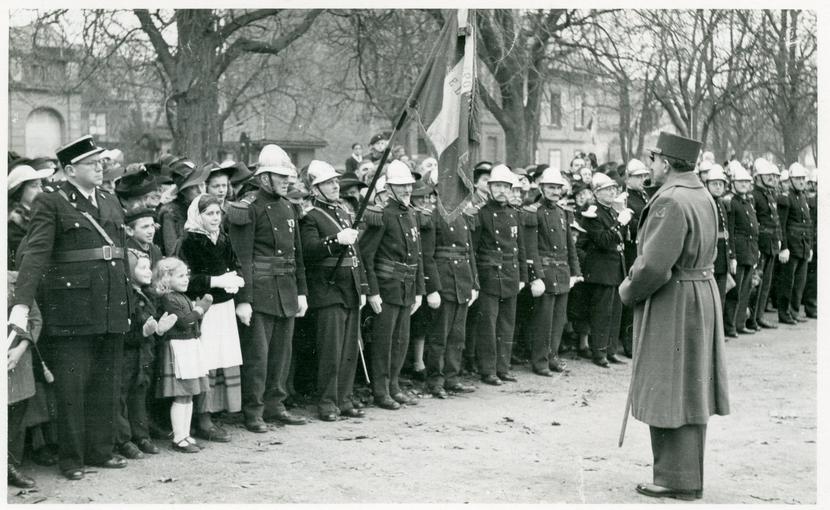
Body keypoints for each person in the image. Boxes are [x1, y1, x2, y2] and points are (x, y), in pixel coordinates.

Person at [7, 135, 132, 480]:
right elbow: (34, 255)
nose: (100, 166)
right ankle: (72, 458)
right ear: (70, 169)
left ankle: (100, 450)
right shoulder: (52, 202)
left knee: (106, 383)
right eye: (92, 162)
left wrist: (128, 302)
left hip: (111, 305)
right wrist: (20, 305)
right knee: (73, 388)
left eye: (101, 161)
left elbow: (120, 252)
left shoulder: (109, 200)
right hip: (71, 308)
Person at [619, 131, 729, 501]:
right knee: (690, 385)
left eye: (653, 159)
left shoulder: (670, 200)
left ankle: (673, 479)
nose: (650, 166)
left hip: (674, 300)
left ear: (666, 163)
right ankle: (682, 476)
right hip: (700, 294)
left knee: (669, 386)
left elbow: (653, 267)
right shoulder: (702, 195)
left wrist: (628, 290)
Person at [226, 144, 309, 432]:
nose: (287, 181)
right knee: (258, 358)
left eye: (288, 177)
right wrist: (244, 300)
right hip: (259, 292)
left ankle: (276, 405)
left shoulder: (288, 207)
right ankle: (254, 411)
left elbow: (296, 255)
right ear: (264, 178)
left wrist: (301, 292)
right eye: (280, 176)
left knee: (281, 356)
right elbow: (242, 258)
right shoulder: (247, 208)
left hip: (285, 289)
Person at [299, 161, 368, 421]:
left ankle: (344, 398)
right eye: (329, 183)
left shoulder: (344, 214)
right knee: (331, 349)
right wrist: (335, 240)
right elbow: (309, 250)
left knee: (350, 348)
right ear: (315, 189)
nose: (335, 185)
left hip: (348, 287)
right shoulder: (311, 217)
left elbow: (357, 255)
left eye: (336, 181)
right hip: (327, 289)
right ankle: (327, 402)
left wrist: (361, 287)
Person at [177, 194, 246, 442]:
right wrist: (215, 281)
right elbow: (184, 278)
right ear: (199, 216)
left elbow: (234, 263)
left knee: (220, 358)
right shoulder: (189, 241)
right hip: (203, 307)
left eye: (218, 213)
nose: (215, 218)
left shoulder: (223, 238)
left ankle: (214, 412)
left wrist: (234, 279)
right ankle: (202, 419)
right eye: (209, 214)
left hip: (224, 307)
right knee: (204, 361)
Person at [359, 160, 425, 409]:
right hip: (386, 288)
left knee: (401, 340)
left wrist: (419, 290)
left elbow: (417, 256)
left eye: (409, 185)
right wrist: (372, 291)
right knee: (384, 342)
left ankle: (394, 385)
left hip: (407, 288)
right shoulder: (381, 215)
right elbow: (367, 256)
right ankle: (380, 390)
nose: (407, 190)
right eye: (401, 186)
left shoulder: (411, 214)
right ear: (389, 189)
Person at [470, 165, 528, 385]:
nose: (502, 191)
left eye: (506, 186)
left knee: (507, 324)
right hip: (489, 276)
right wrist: (475, 280)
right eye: (498, 186)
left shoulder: (515, 214)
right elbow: (473, 250)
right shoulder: (481, 214)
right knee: (488, 325)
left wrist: (523, 276)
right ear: (490, 188)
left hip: (511, 274)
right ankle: (488, 370)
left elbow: (520, 247)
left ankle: (503, 367)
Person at [116, 252, 176, 459]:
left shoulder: (149, 295)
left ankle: (141, 436)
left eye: (149, 267)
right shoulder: (125, 297)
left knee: (139, 394)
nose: (149, 272)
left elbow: (152, 329)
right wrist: (142, 333)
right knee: (122, 396)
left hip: (144, 355)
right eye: (142, 268)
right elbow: (123, 333)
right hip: (127, 355)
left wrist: (158, 331)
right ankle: (123, 440)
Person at [525, 168, 582, 376]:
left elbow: (570, 246)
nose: (555, 192)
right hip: (546, 272)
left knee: (559, 319)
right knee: (544, 320)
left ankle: (552, 356)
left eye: (558, 188)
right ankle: (539, 361)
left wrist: (575, 271)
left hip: (563, 271)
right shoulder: (533, 212)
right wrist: (536, 276)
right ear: (542, 188)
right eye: (551, 187)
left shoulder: (563, 213)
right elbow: (531, 248)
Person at [153, 257, 213, 453]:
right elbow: (185, 321)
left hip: (188, 347)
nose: (186, 279)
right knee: (181, 396)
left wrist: (197, 309)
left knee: (188, 395)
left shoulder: (181, 296)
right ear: (166, 278)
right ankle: (179, 438)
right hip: (178, 349)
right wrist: (201, 307)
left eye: (186, 274)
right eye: (180, 276)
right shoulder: (169, 299)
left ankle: (185, 435)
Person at [579, 173, 631, 367]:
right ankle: (599, 352)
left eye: (613, 189)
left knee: (615, 312)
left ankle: (610, 350)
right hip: (601, 270)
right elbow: (602, 241)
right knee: (602, 314)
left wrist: (620, 220)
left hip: (616, 269)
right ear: (596, 193)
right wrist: (619, 224)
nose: (612, 192)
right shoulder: (593, 214)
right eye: (606, 189)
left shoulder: (613, 212)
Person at [7, 271, 43, 488]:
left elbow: (35, 319)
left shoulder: (15, 280)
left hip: (15, 361)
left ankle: (9, 465)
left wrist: (21, 348)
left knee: (15, 416)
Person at [722, 164, 759, 337]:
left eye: (747, 181)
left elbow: (753, 228)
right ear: (733, 183)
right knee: (734, 292)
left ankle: (740, 323)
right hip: (739, 251)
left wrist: (755, 250)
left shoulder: (748, 202)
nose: (744, 184)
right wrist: (732, 256)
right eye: (740, 181)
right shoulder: (731, 202)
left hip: (750, 251)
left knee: (745, 290)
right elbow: (730, 230)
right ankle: (729, 326)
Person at [619, 159, 650, 357]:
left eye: (644, 176)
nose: (642, 180)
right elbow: (628, 226)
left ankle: (638, 340)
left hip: (644, 248)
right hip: (632, 249)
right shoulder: (624, 199)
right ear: (628, 178)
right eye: (638, 176)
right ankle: (629, 342)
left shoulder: (644, 196)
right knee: (632, 296)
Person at [775, 163, 813, 324]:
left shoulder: (803, 198)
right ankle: (784, 313)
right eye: (797, 178)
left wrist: (809, 246)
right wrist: (783, 247)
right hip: (791, 245)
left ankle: (795, 310)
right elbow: (782, 224)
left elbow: (808, 224)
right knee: (788, 281)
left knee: (800, 281)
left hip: (803, 244)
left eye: (802, 178)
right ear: (790, 180)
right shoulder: (786, 199)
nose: (801, 181)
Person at [748, 158, 781, 330]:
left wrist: (778, 240)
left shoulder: (769, 194)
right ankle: (752, 318)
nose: (769, 177)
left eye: (770, 175)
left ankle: (759, 316)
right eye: (765, 175)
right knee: (757, 283)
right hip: (760, 244)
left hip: (770, 244)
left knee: (766, 283)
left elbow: (775, 220)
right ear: (757, 177)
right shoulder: (754, 195)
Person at [7, 163, 55, 269]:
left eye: (40, 185)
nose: (40, 191)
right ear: (19, 190)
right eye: (34, 186)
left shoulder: (40, 213)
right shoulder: (13, 223)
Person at [703, 165, 737, 312]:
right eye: (714, 184)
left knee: (720, 297)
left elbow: (728, 233)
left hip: (723, 257)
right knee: (710, 299)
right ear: (707, 185)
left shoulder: (722, 204)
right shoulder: (705, 203)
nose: (718, 187)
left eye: (720, 184)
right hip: (711, 257)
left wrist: (731, 256)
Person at [157, 158, 208, 255]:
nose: (200, 191)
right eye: (193, 187)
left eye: (202, 184)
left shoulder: (209, 208)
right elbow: (172, 253)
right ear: (183, 192)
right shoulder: (171, 213)